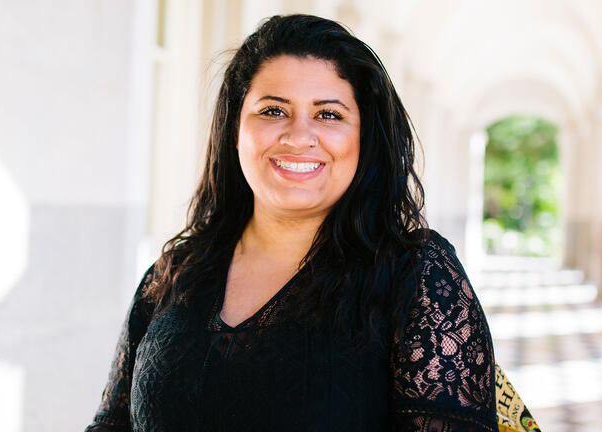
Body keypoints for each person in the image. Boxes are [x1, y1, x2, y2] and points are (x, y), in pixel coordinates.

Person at [85, 14, 497, 432]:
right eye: (273, 110)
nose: (299, 136)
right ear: (236, 130)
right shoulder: (174, 273)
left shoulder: (415, 277)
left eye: (329, 115)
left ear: (365, 137)